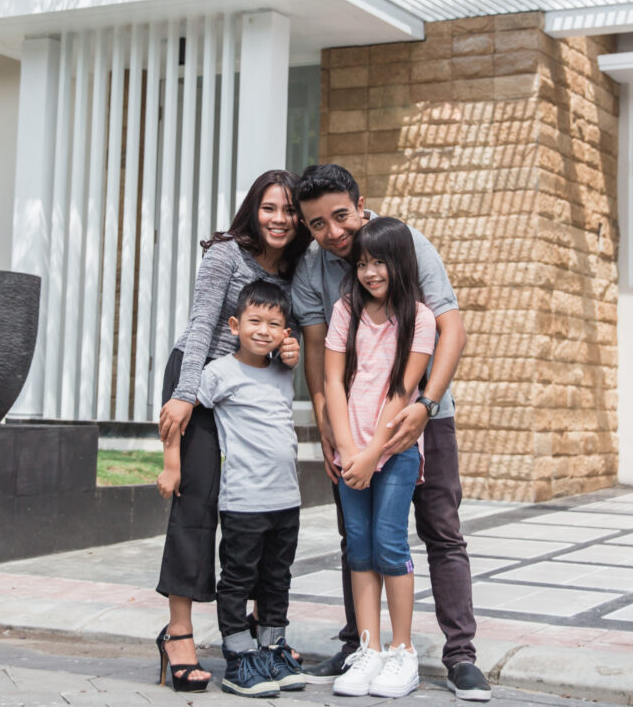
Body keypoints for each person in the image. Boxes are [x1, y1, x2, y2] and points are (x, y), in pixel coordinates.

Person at [291, 164, 491, 701]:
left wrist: (425, 405)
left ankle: (460, 655)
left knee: (440, 530)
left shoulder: (405, 243)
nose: (332, 233)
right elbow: (319, 353)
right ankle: (362, 642)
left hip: (423, 414)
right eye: (316, 224)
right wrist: (328, 428)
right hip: (350, 422)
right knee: (357, 534)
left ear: (360, 204)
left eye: (340, 216)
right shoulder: (313, 270)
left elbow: (450, 325)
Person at [153, 170, 311, 693]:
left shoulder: (296, 267)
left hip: (252, 388)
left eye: (289, 210)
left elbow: (287, 332)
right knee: (196, 507)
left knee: (254, 516)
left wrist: (292, 353)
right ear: (253, 209)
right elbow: (202, 325)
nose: (280, 219)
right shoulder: (224, 254)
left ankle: (257, 641)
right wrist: (182, 392)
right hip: (200, 379)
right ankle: (178, 636)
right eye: (270, 208)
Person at [323, 218, 435, 698]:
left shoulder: (421, 319)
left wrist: (372, 453)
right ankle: (367, 650)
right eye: (363, 263)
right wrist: (348, 449)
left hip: (394, 452)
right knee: (360, 549)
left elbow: (402, 389)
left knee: (391, 546)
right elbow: (332, 382)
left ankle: (402, 652)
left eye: (379, 262)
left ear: (400, 262)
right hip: (350, 452)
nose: (370, 272)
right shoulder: (346, 311)